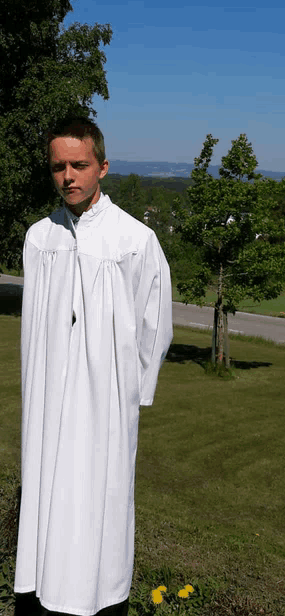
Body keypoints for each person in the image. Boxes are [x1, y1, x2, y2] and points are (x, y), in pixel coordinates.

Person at [14, 117, 173, 616]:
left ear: (102, 166)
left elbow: (156, 323)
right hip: (46, 400)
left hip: (106, 399)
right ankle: (44, 586)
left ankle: (98, 596)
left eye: (79, 165)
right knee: (47, 492)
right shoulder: (41, 239)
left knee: (98, 500)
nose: (68, 176)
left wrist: (133, 391)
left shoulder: (134, 240)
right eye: (58, 166)